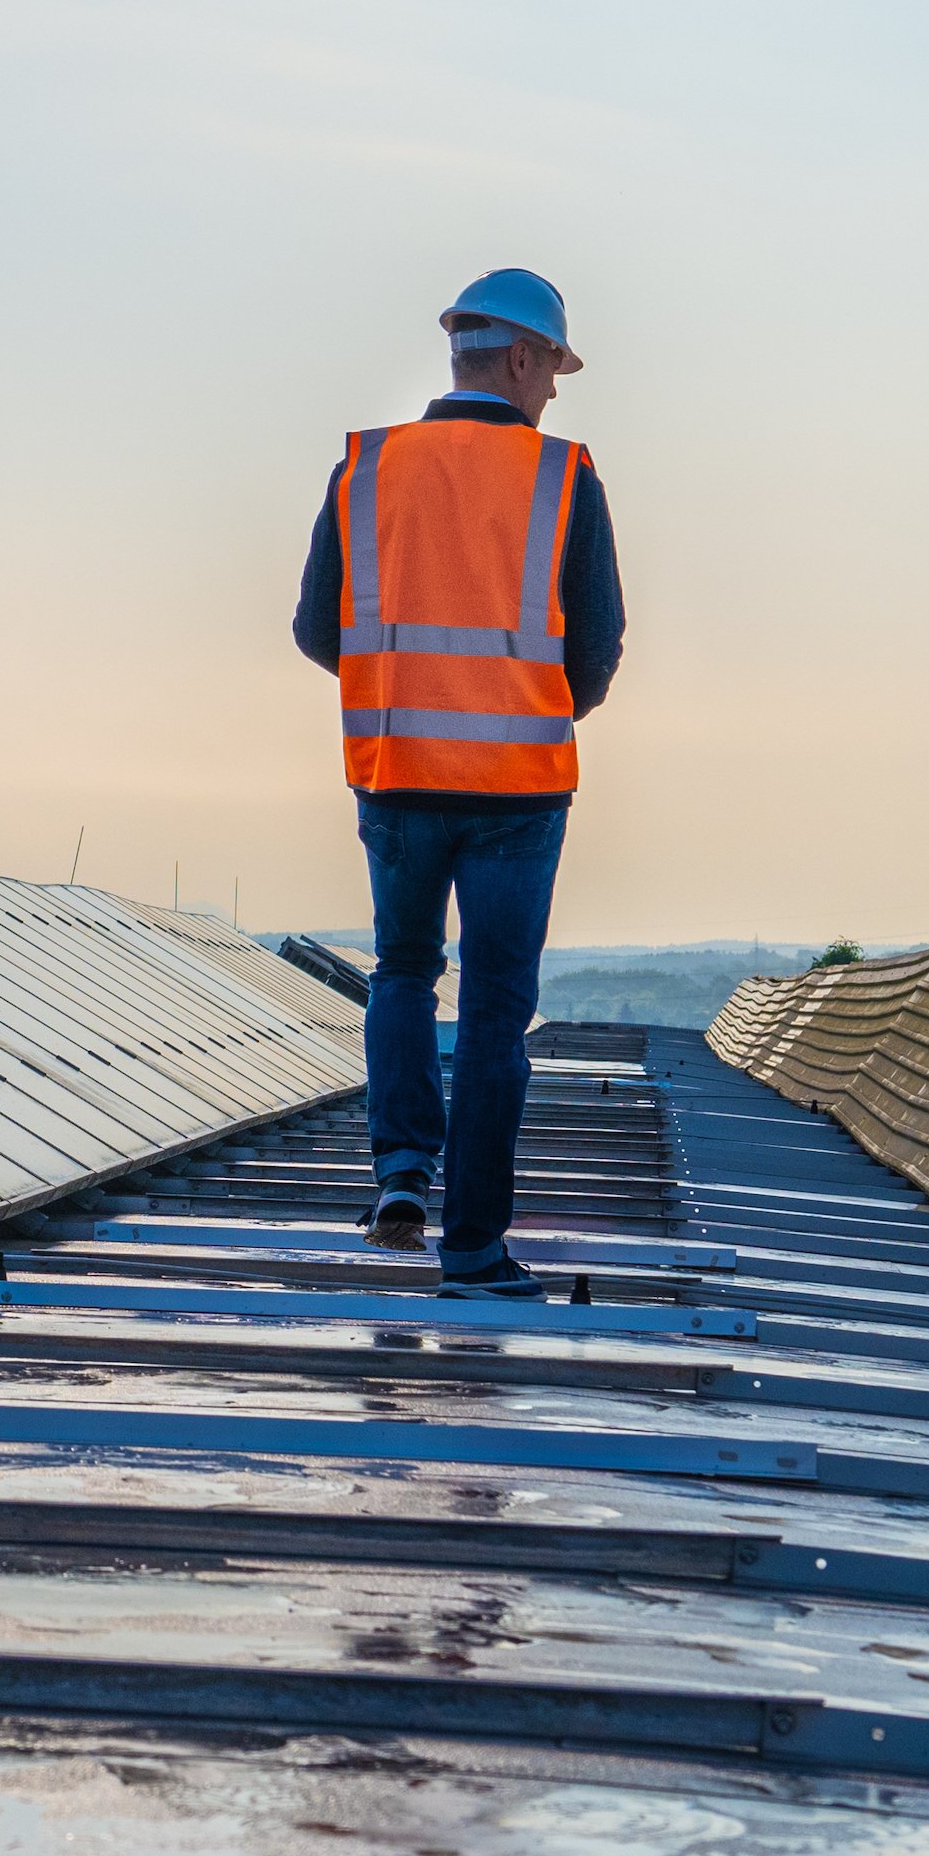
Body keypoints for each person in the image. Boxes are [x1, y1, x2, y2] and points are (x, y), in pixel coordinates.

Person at [287, 268, 624, 1297]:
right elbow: (597, 650)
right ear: (521, 358)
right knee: (490, 1012)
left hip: (395, 774)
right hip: (518, 789)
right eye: (553, 369)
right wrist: (520, 701)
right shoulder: (563, 480)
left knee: (398, 969)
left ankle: (398, 1170)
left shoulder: (367, 468)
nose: (555, 392)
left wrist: (406, 689)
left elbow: (313, 628)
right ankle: (472, 1248)